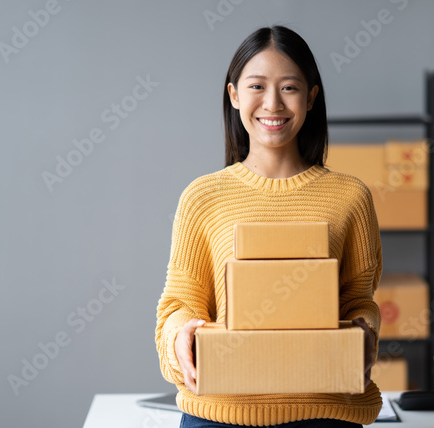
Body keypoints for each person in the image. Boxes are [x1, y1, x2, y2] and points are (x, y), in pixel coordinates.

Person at [154, 26, 383, 428]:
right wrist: (180, 339)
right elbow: (179, 305)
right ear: (234, 95)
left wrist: (364, 334)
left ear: (311, 97)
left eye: (290, 88)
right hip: (221, 413)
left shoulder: (350, 197)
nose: (272, 104)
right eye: (257, 86)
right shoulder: (202, 197)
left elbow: (358, 303)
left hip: (325, 412)